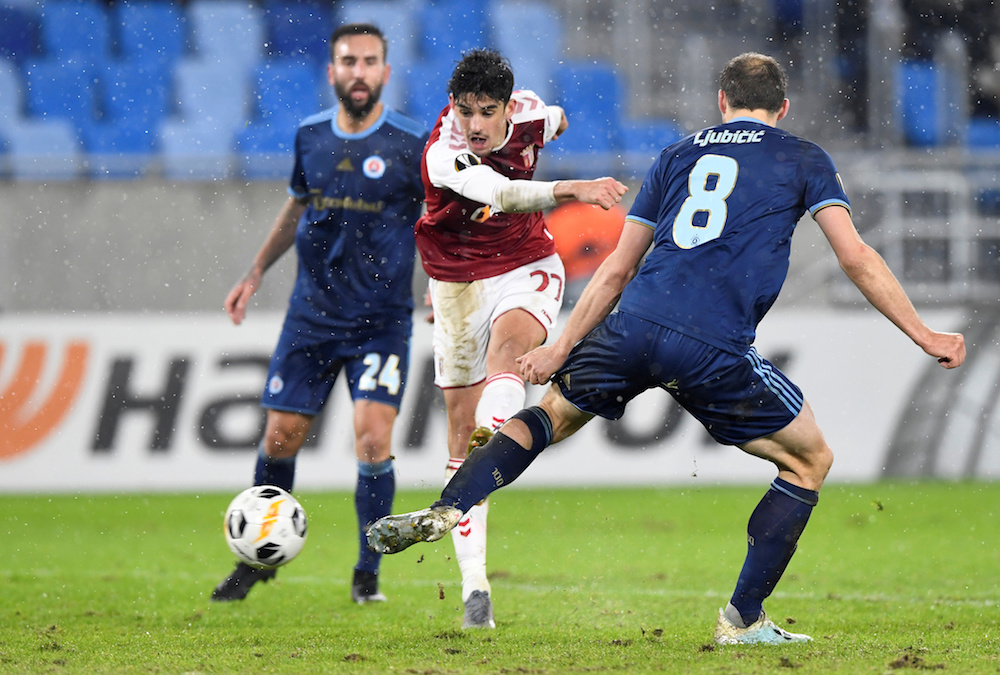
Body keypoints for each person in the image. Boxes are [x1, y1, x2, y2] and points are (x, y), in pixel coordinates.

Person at [367, 52, 967, 643]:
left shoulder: (678, 154)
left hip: (635, 324)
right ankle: (743, 620)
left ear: (721, 103)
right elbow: (855, 256)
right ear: (782, 108)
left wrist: (561, 347)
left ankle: (453, 502)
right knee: (810, 460)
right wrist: (924, 333)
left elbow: (615, 270)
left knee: (549, 414)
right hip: (713, 342)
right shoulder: (804, 157)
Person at [211, 23, 428, 604]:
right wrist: (256, 270)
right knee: (280, 437)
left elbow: (439, 219)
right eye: (348, 61)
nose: (359, 72)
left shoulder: (412, 143)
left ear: (385, 71)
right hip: (311, 317)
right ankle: (257, 561)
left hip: (382, 320)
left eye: (370, 62)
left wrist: (440, 280)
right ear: (332, 72)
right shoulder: (310, 136)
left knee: (372, 441)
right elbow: (297, 207)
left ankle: (367, 574)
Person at [413, 48, 628, 628]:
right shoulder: (444, 150)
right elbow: (505, 194)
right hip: (454, 282)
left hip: (525, 262)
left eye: (488, 111)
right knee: (459, 438)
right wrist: (575, 187)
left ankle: (497, 423)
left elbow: (556, 118)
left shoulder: (530, 113)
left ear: (508, 105)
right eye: (465, 111)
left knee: (511, 354)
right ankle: (474, 587)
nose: (475, 124)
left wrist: (551, 128)